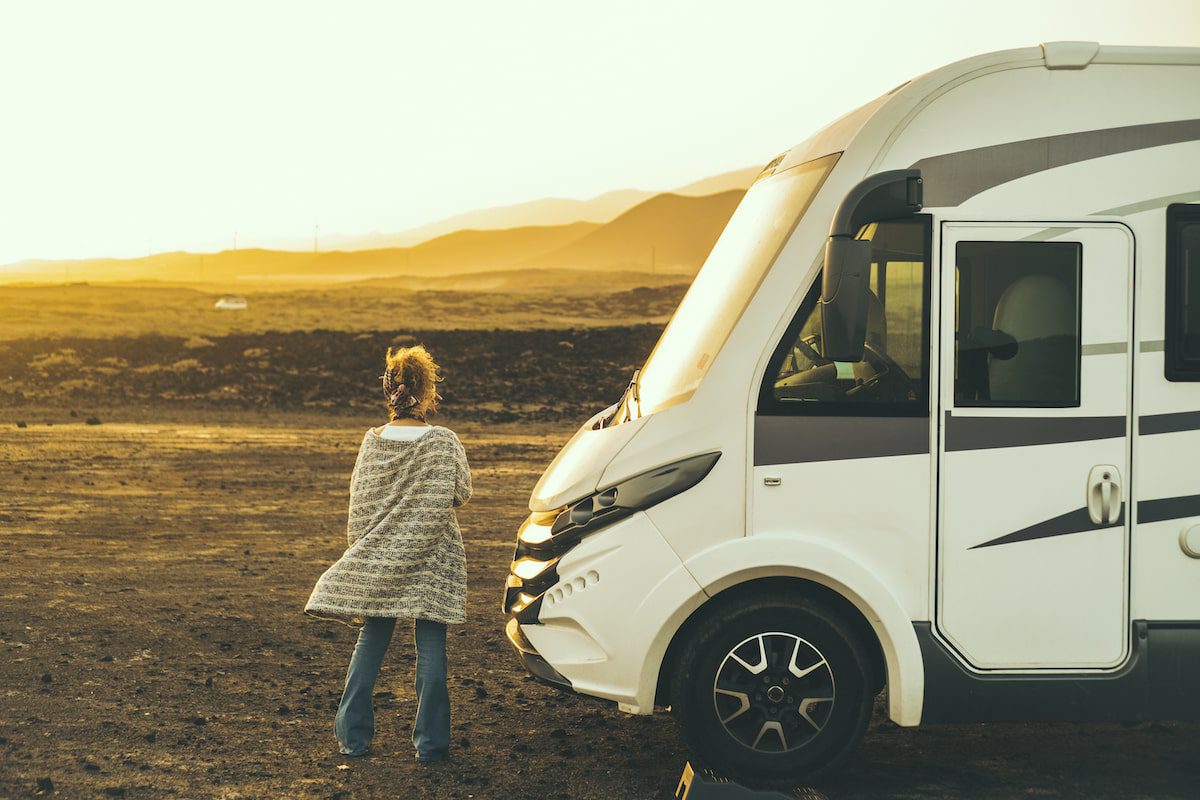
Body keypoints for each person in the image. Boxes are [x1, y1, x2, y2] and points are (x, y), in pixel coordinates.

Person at [305, 344, 471, 762]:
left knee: (372, 639)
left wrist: (366, 555)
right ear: (427, 391)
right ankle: (431, 745)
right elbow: (461, 494)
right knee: (431, 646)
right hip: (433, 557)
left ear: (389, 391)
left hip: (381, 558)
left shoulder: (371, 441)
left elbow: (359, 505)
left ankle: (353, 739)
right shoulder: (444, 441)